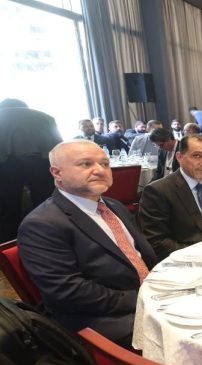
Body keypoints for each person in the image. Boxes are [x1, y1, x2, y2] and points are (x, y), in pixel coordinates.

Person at [17, 140, 157, 348]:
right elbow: (68, 292)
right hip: (101, 321)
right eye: (86, 164)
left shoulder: (114, 206)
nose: (100, 170)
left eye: (105, 164)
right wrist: (142, 297)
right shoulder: (42, 224)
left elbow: (140, 255)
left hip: (148, 297)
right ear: (57, 173)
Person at [139, 134, 202, 261]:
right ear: (179, 157)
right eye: (197, 156)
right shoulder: (159, 191)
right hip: (196, 259)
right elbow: (157, 242)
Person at [0, 98, 62, 242]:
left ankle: (9, 244)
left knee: (8, 208)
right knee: (45, 203)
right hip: (41, 162)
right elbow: (58, 145)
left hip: (5, 165)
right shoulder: (45, 117)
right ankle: (49, 238)